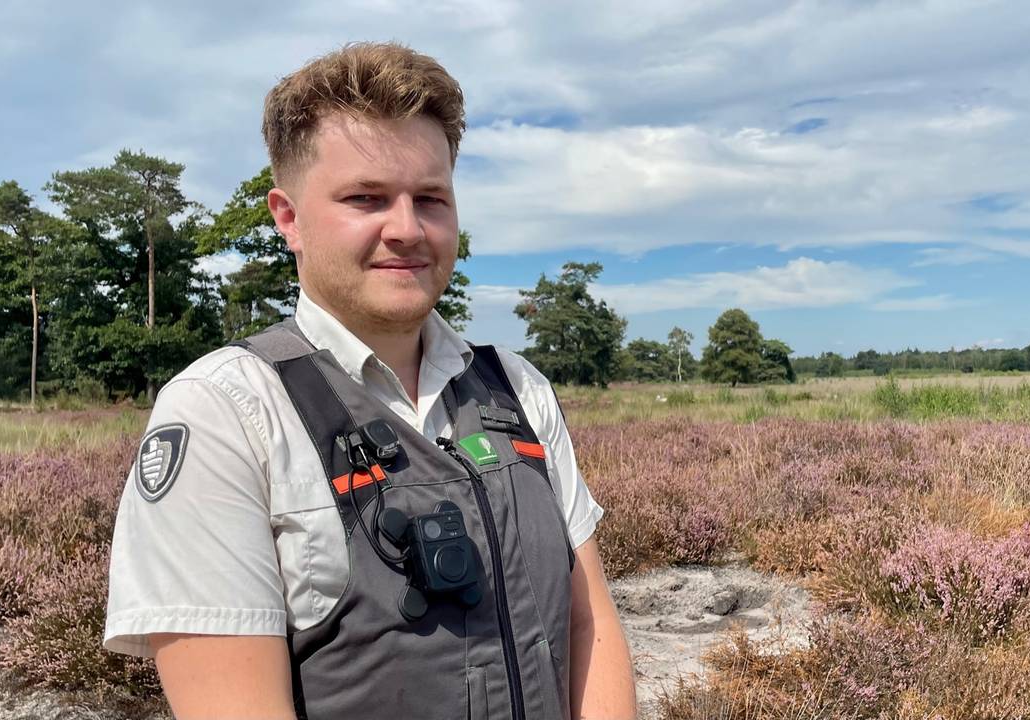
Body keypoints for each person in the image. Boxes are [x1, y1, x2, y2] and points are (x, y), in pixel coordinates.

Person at [104, 42, 637, 720]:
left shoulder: (517, 388)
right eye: (367, 198)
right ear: (287, 217)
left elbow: (588, 623)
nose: (407, 228)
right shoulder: (225, 414)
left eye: (431, 198)